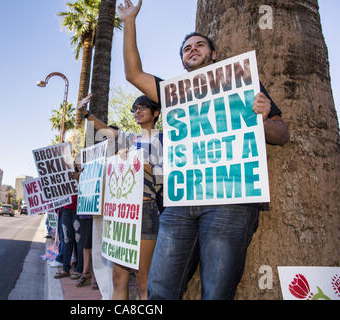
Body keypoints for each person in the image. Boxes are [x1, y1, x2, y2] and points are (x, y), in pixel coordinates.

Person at [118, 0, 289, 300]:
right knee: (159, 290)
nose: (193, 49)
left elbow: (281, 133)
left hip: (231, 200)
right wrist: (129, 21)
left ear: (213, 54)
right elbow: (133, 74)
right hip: (181, 201)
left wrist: (260, 120)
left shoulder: (242, 81)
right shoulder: (172, 93)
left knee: (216, 292)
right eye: (186, 48)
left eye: (199, 45)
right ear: (183, 60)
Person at [77, 93, 163, 300]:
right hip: (121, 214)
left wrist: (138, 164)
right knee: (118, 277)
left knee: (143, 280)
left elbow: (163, 179)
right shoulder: (131, 140)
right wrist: (85, 113)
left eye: (143, 107)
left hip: (145, 210)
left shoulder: (162, 139)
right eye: (135, 108)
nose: (138, 111)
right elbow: (106, 130)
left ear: (156, 113)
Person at [54, 161, 83, 280]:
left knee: (78, 241)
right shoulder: (64, 174)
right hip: (66, 210)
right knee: (66, 240)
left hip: (78, 210)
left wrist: (79, 175)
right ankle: (66, 269)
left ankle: (78, 269)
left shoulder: (82, 173)